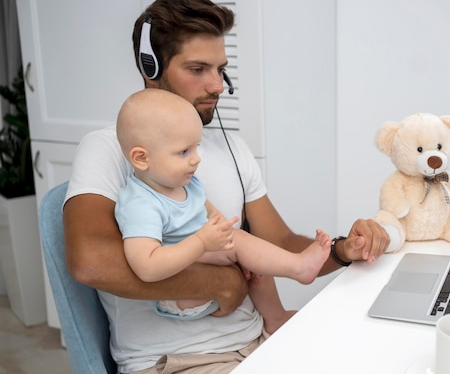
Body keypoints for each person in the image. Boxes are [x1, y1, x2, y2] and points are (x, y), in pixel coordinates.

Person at [63, 0, 390, 374]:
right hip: (178, 362)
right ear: (150, 67)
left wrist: (341, 249)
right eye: (198, 69)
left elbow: (280, 245)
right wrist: (219, 283)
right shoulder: (110, 148)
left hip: (258, 342)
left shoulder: (229, 146)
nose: (217, 85)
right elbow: (91, 261)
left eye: (221, 69)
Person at [115, 88, 331, 330]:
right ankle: (299, 267)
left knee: (255, 253)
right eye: (184, 152)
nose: (196, 159)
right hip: (178, 292)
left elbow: (213, 216)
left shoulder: (186, 184)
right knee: (240, 243)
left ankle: (275, 317)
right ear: (142, 158)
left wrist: (234, 249)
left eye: (196, 147)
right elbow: (146, 267)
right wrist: (203, 243)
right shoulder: (140, 204)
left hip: (203, 264)